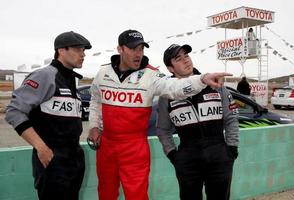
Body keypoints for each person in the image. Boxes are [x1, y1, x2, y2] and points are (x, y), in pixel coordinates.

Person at [87, 29, 232, 200]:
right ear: (120, 49)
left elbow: (174, 87)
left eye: (141, 49)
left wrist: (201, 79)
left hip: (134, 146)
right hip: (106, 146)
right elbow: (95, 100)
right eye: (133, 49)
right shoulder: (103, 73)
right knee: (105, 192)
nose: (138, 54)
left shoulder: (152, 75)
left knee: (137, 196)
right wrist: (94, 126)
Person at [5, 31, 92, 200]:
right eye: (78, 49)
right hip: (52, 156)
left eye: (84, 50)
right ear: (61, 50)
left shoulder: (70, 80)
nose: (83, 54)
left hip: (74, 157)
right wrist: (41, 147)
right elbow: (14, 111)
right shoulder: (45, 75)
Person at [156, 44, 240, 200]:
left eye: (186, 56)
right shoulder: (166, 96)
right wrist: (174, 155)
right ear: (170, 68)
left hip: (219, 154)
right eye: (178, 59)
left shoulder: (214, 84)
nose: (186, 61)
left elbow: (231, 118)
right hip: (187, 156)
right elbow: (162, 129)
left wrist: (231, 149)